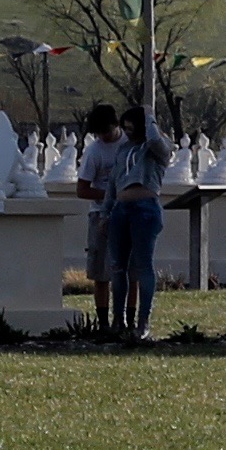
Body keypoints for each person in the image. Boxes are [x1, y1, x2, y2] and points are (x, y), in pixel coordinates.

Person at [76, 102, 169, 341]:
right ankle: (119, 320)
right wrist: (106, 212)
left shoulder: (154, 149)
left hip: (145, 209)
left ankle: (143, 321)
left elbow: (155, 140)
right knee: (117, 268)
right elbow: (113, 185)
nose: (127, 132)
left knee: (142, 266)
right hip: (120, 209)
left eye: (130, 128)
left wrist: (149, 115)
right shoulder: (123, 150)